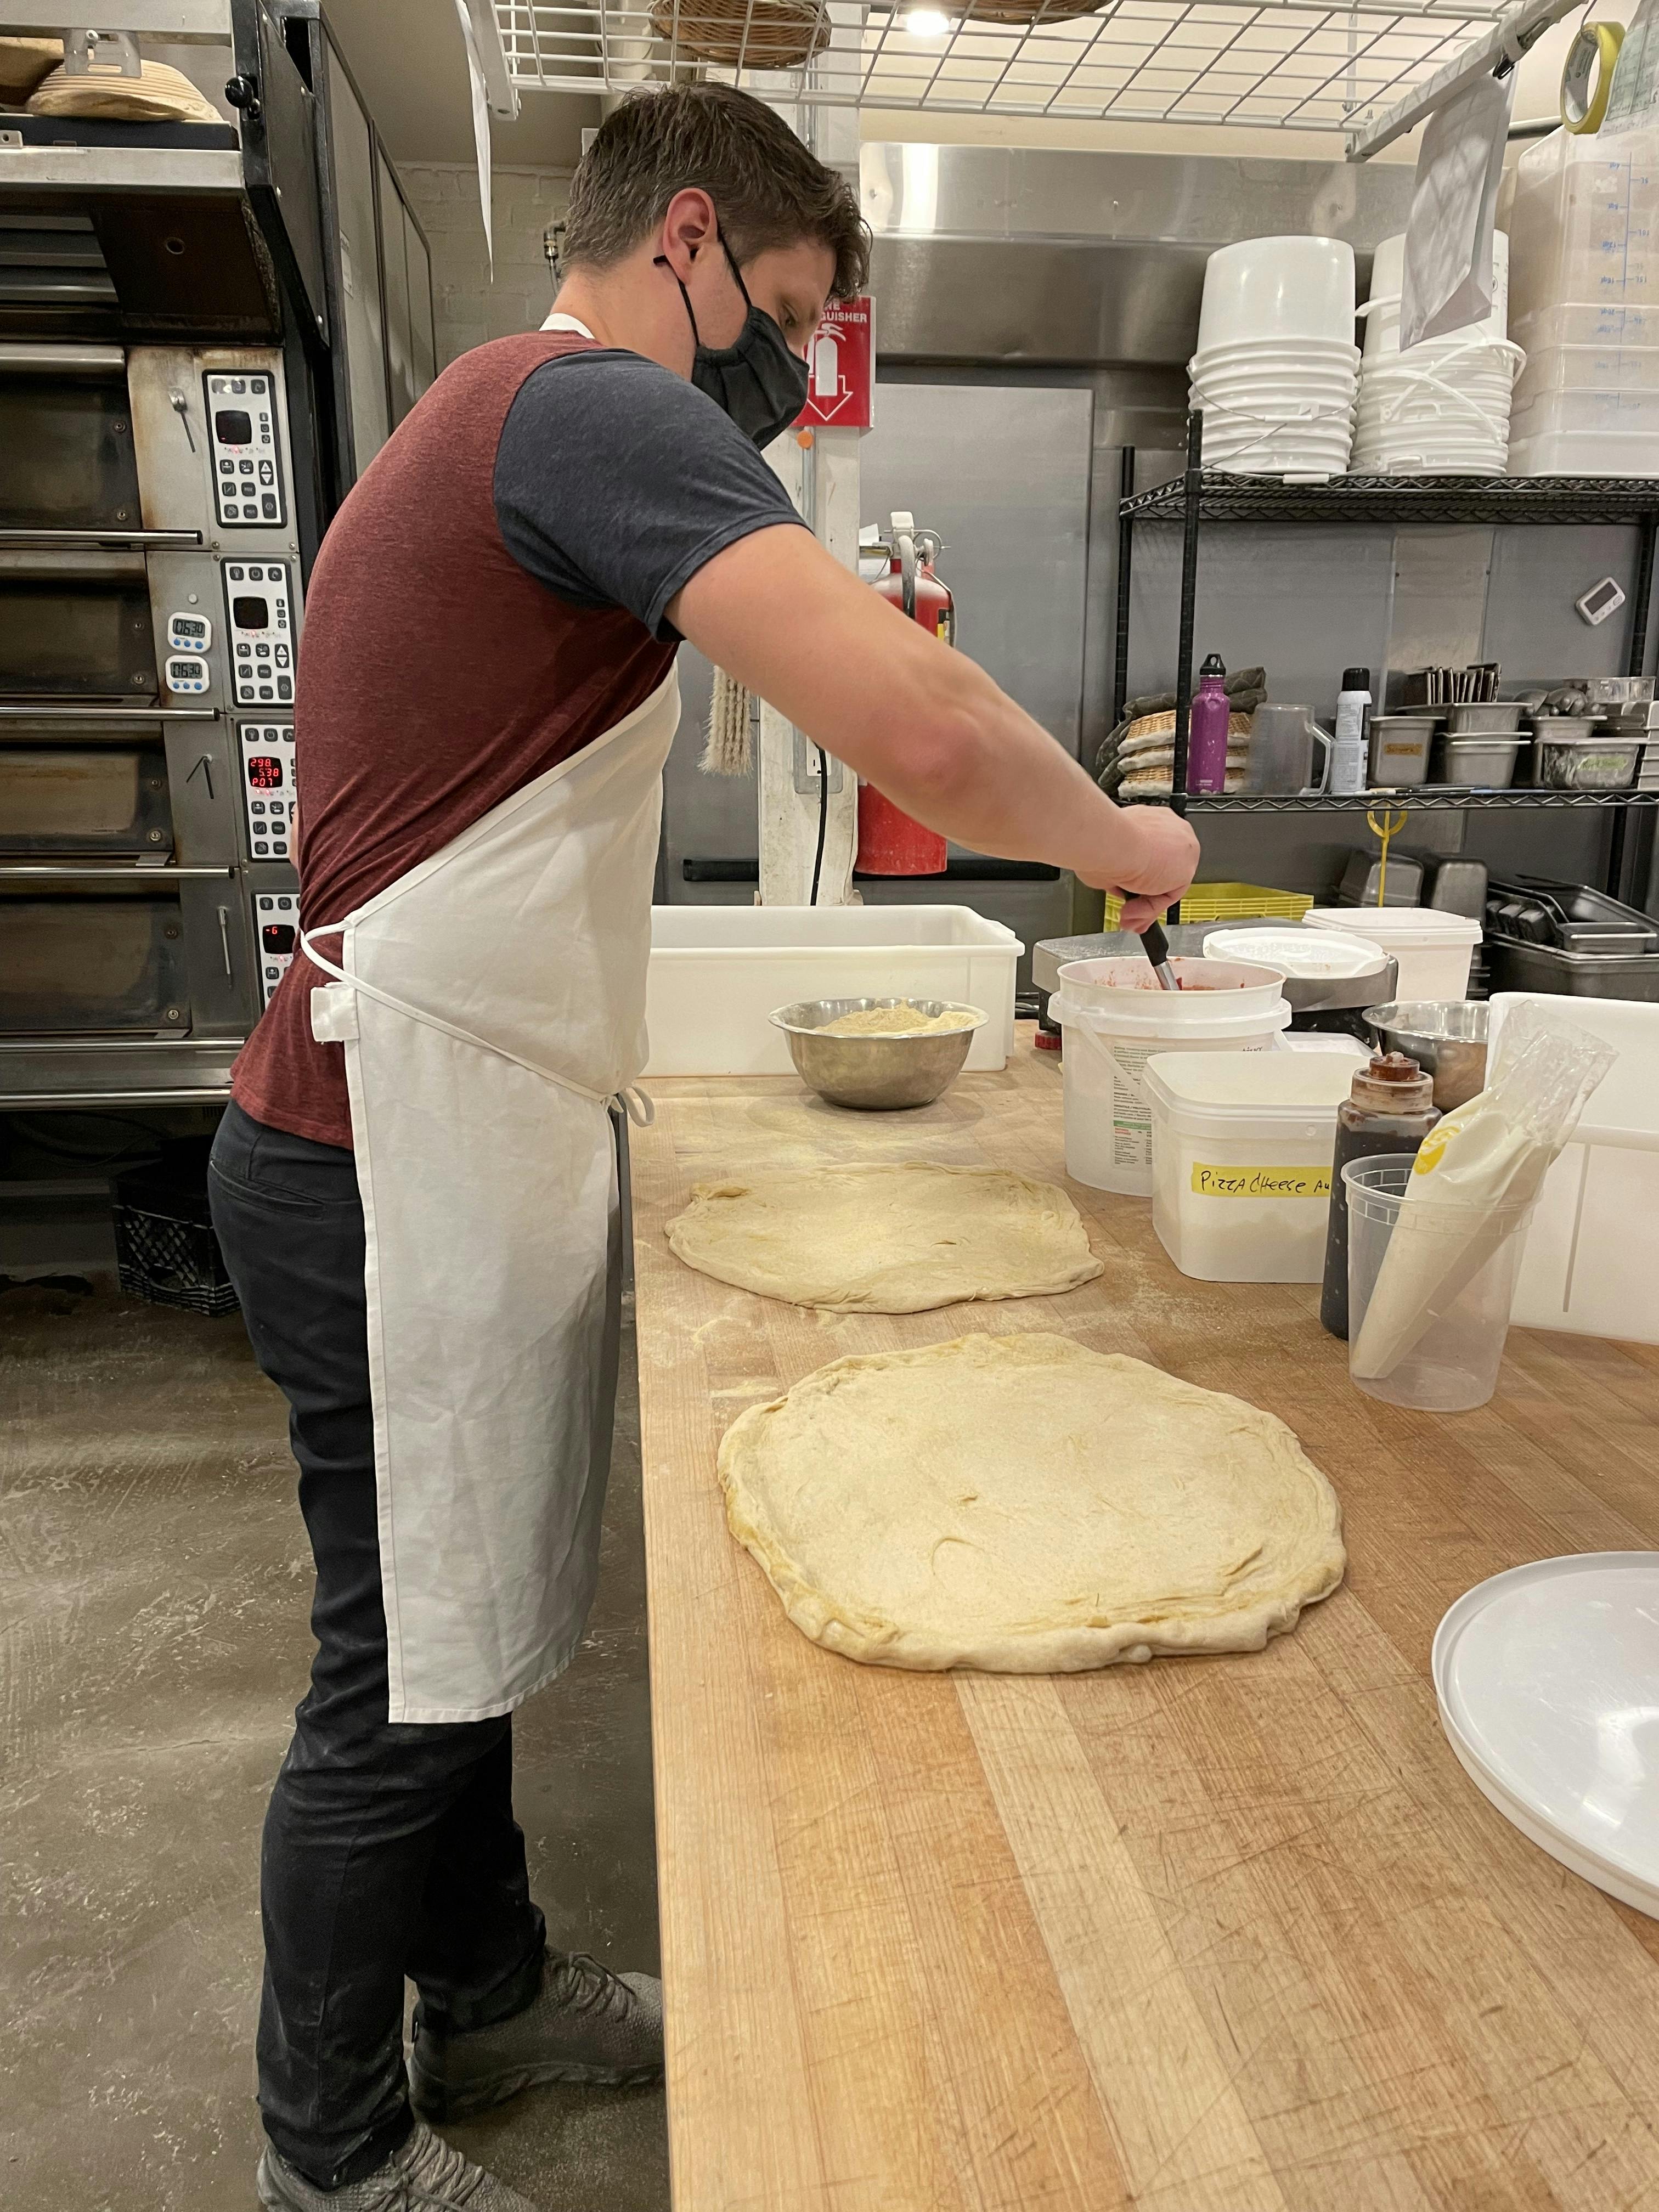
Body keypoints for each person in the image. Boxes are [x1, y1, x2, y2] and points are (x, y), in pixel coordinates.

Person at [213, 80, 1199, 2212]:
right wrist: (1129, 837)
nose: (800, 367)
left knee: (454, 1604)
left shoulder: (516, 415)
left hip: (405, 1120)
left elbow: (890, 699)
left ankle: (484, 1992)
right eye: (797, 312)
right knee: (391, 1673)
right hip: (380, 1143)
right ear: (685, 240)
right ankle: (333, 2158)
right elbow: (916, 726)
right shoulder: (592, 413)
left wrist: (1081, 811)